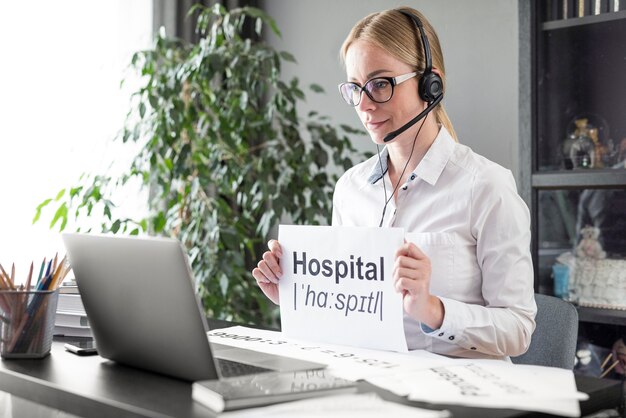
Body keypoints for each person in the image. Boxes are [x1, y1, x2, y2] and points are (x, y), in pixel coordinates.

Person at [252, 7, 536, 361]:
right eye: (355, 88)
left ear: (430, 84)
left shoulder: (486, 187)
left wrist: (434, 310)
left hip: (457, 395)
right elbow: (350, 315)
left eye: (380, 84)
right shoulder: (350, 189)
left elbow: (519, 329)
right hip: (373, 388)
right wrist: (299, 296)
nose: (365, 105)